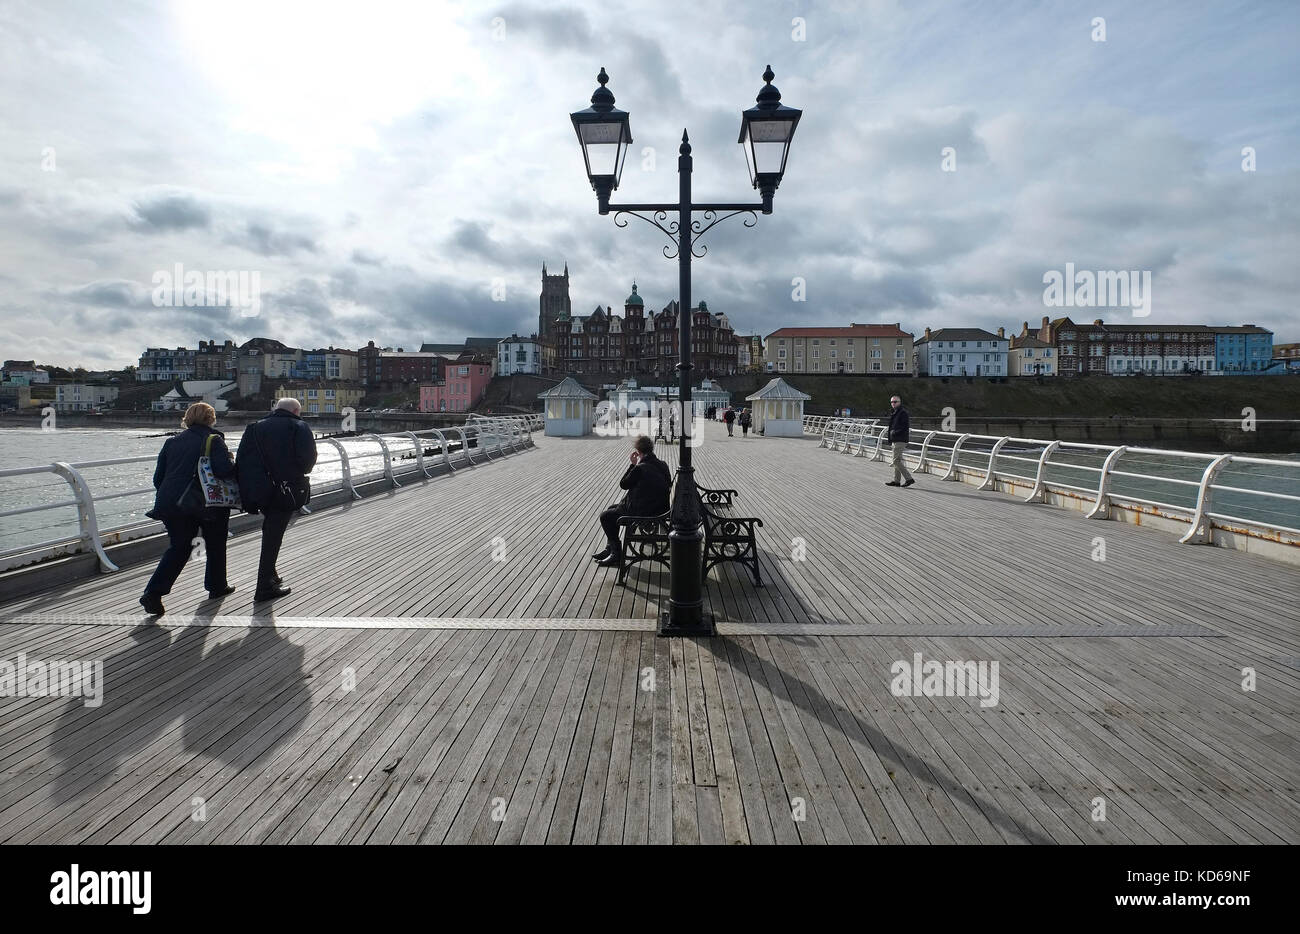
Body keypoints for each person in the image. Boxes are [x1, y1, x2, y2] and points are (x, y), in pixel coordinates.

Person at [139, 402, 236, 615]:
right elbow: (223, 471)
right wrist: (230, 460)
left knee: (179, 546)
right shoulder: (214, 439)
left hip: (171, 501)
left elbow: (159, 478)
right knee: (215, 543)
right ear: (211, 419)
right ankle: (217, 586)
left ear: (187, 418)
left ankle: (153, 593)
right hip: (206, 502)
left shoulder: (171, 442)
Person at [236, 397, 317, 601]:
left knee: (271, 531)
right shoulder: (299, 426)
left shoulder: (254, 427)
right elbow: (307, 462)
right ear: (296, 411)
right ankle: (263, 587)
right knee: (273, 537)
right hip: (285, 490)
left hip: (259, 491)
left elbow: (242, 460)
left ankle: (271, 575)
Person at [593, 435, 672, 568]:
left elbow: (623, 484)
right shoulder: (662, 464)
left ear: (638, 451)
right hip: (658, 508)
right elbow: (667, 483)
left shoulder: (640, 468)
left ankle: (616, 554)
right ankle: (610, 549)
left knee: (605, 516)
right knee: (612, 507)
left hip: (644, 512)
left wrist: (633, 464)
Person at [885, 394, 915, 487]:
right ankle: (896, 481)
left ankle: (909, 479)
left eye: (895, 402)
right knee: (897, 460)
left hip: (900, 439)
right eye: (891, 402)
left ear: (899, 402)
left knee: (895, 461)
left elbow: (904, 427)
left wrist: (894, 432)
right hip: (895, 439)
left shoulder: (902, 413)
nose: (893, 403)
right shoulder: (895, 412)